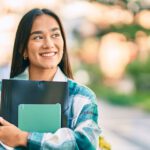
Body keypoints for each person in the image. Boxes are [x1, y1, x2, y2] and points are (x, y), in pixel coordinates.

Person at [0, 8, 101, 150]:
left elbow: (86, 144)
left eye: (55, 35)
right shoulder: (2, 94)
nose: (48, 44)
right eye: (38, 37)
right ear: (23, 48)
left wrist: (23, 138)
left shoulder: (81, 97)